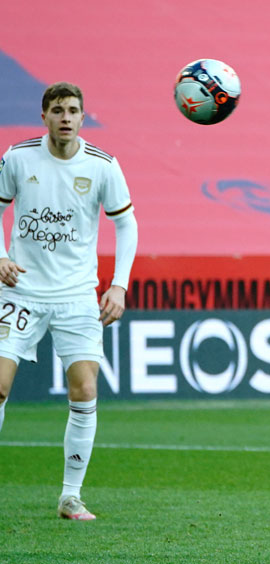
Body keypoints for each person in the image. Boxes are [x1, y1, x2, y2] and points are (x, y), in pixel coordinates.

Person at [0, 82, 138, 520]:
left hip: (77, 294)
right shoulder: (18, 158)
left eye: (73, 110)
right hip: (20, 290)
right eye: (57, 109)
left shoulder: (102, 165)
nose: (65, 116)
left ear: (82, 117)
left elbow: (126, 225)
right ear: (44, 116)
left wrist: (118, 284)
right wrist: (1, 255)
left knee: (85, 389)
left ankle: (70, 496)